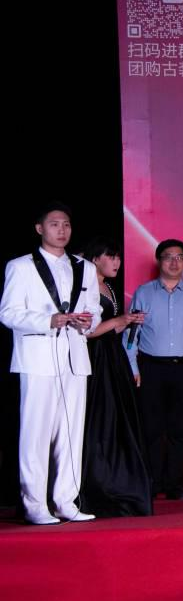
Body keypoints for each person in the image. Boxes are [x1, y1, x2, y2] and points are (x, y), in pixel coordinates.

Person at [0, 203, 101, 525]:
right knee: (36, 434)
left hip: (75, 357)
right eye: (55, 224)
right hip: (38, 359)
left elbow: (95, 309)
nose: (62, 230)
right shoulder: (21, 266)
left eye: (66, 224)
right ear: (39, 228)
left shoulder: (84, 267)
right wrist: (48, 320)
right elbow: (8, 313)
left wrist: (88, 321)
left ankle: (66, 501)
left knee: (72, 434)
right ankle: (35, 504)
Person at [126, 239, 183, 500]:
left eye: (179, 257)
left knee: (179, 429)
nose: (174, 262)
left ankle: (173, 483)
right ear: (159, 260)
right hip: (151, 367)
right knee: (151, 428)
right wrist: (132, 366)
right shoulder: (144, 293)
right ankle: (152, 482)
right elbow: (132, 333)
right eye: (168, 257)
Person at [81, 238, 152, 516]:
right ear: (94, 259)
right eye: (110, 257)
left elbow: (110, 328)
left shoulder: (108, 286)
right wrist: (118, 321)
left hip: (113, 358)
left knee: (118, 417)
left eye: (118, 257)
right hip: (94, 359)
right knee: (98, 417)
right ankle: (95, 483)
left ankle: (120, 479)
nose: (116, 262)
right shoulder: (85, 287)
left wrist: (127, 322)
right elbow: (87, 331)